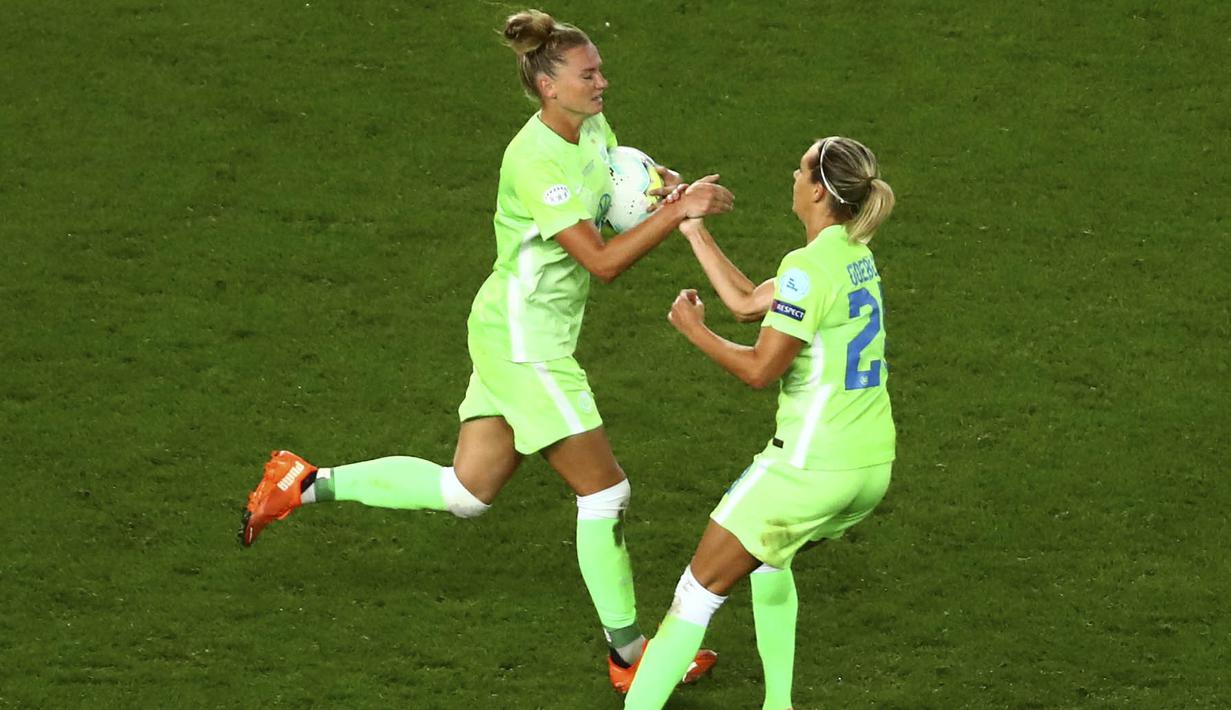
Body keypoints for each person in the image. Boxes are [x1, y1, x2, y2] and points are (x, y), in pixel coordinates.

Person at [237, 8, 732, 694]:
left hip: (512, 329)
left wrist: (666, 187)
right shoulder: (534, 160)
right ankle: (630, 657)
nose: (602, 83)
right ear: (548, 86)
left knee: (466, 492)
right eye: (588, 75)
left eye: (600, 71)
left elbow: (620, 175)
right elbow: (602, 262)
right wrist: (676, 214)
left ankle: (303, 482)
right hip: (527, 343)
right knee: (605, 491)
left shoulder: (590, 126)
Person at [623, 136, 897, 710]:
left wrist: (695, 331)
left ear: (818, 192)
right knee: (771, 558)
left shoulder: (806, 269)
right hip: (869, 466)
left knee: (695, 592)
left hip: (808, 466)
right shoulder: (854, 254)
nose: (792, 177)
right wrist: (692, 229)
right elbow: (748, 302)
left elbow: (759, 370)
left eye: (800, 170)